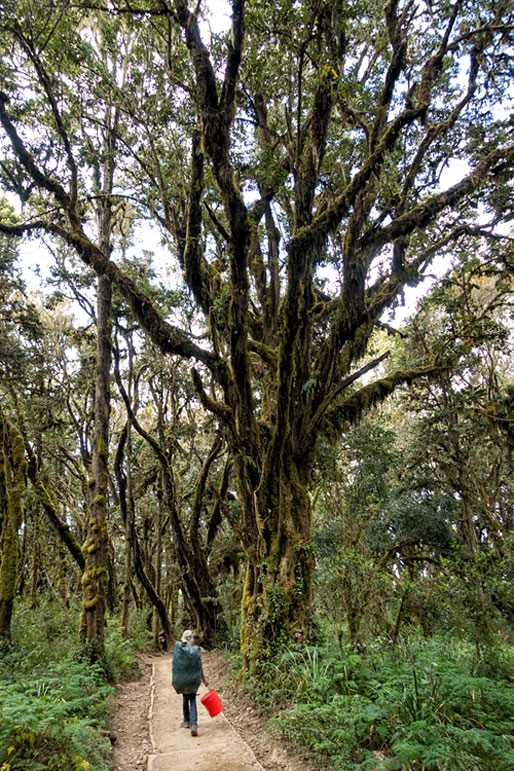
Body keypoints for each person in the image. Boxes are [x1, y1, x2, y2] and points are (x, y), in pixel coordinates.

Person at [172, 629, 209, 737]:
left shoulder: (178, 649)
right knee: (192, 700)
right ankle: (193, 724)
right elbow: (200, 666)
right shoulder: (196, 650)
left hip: (182, 680)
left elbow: (175, 665)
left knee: (185, 698)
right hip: (193, 681)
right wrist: (204, 679)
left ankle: (186, 721)